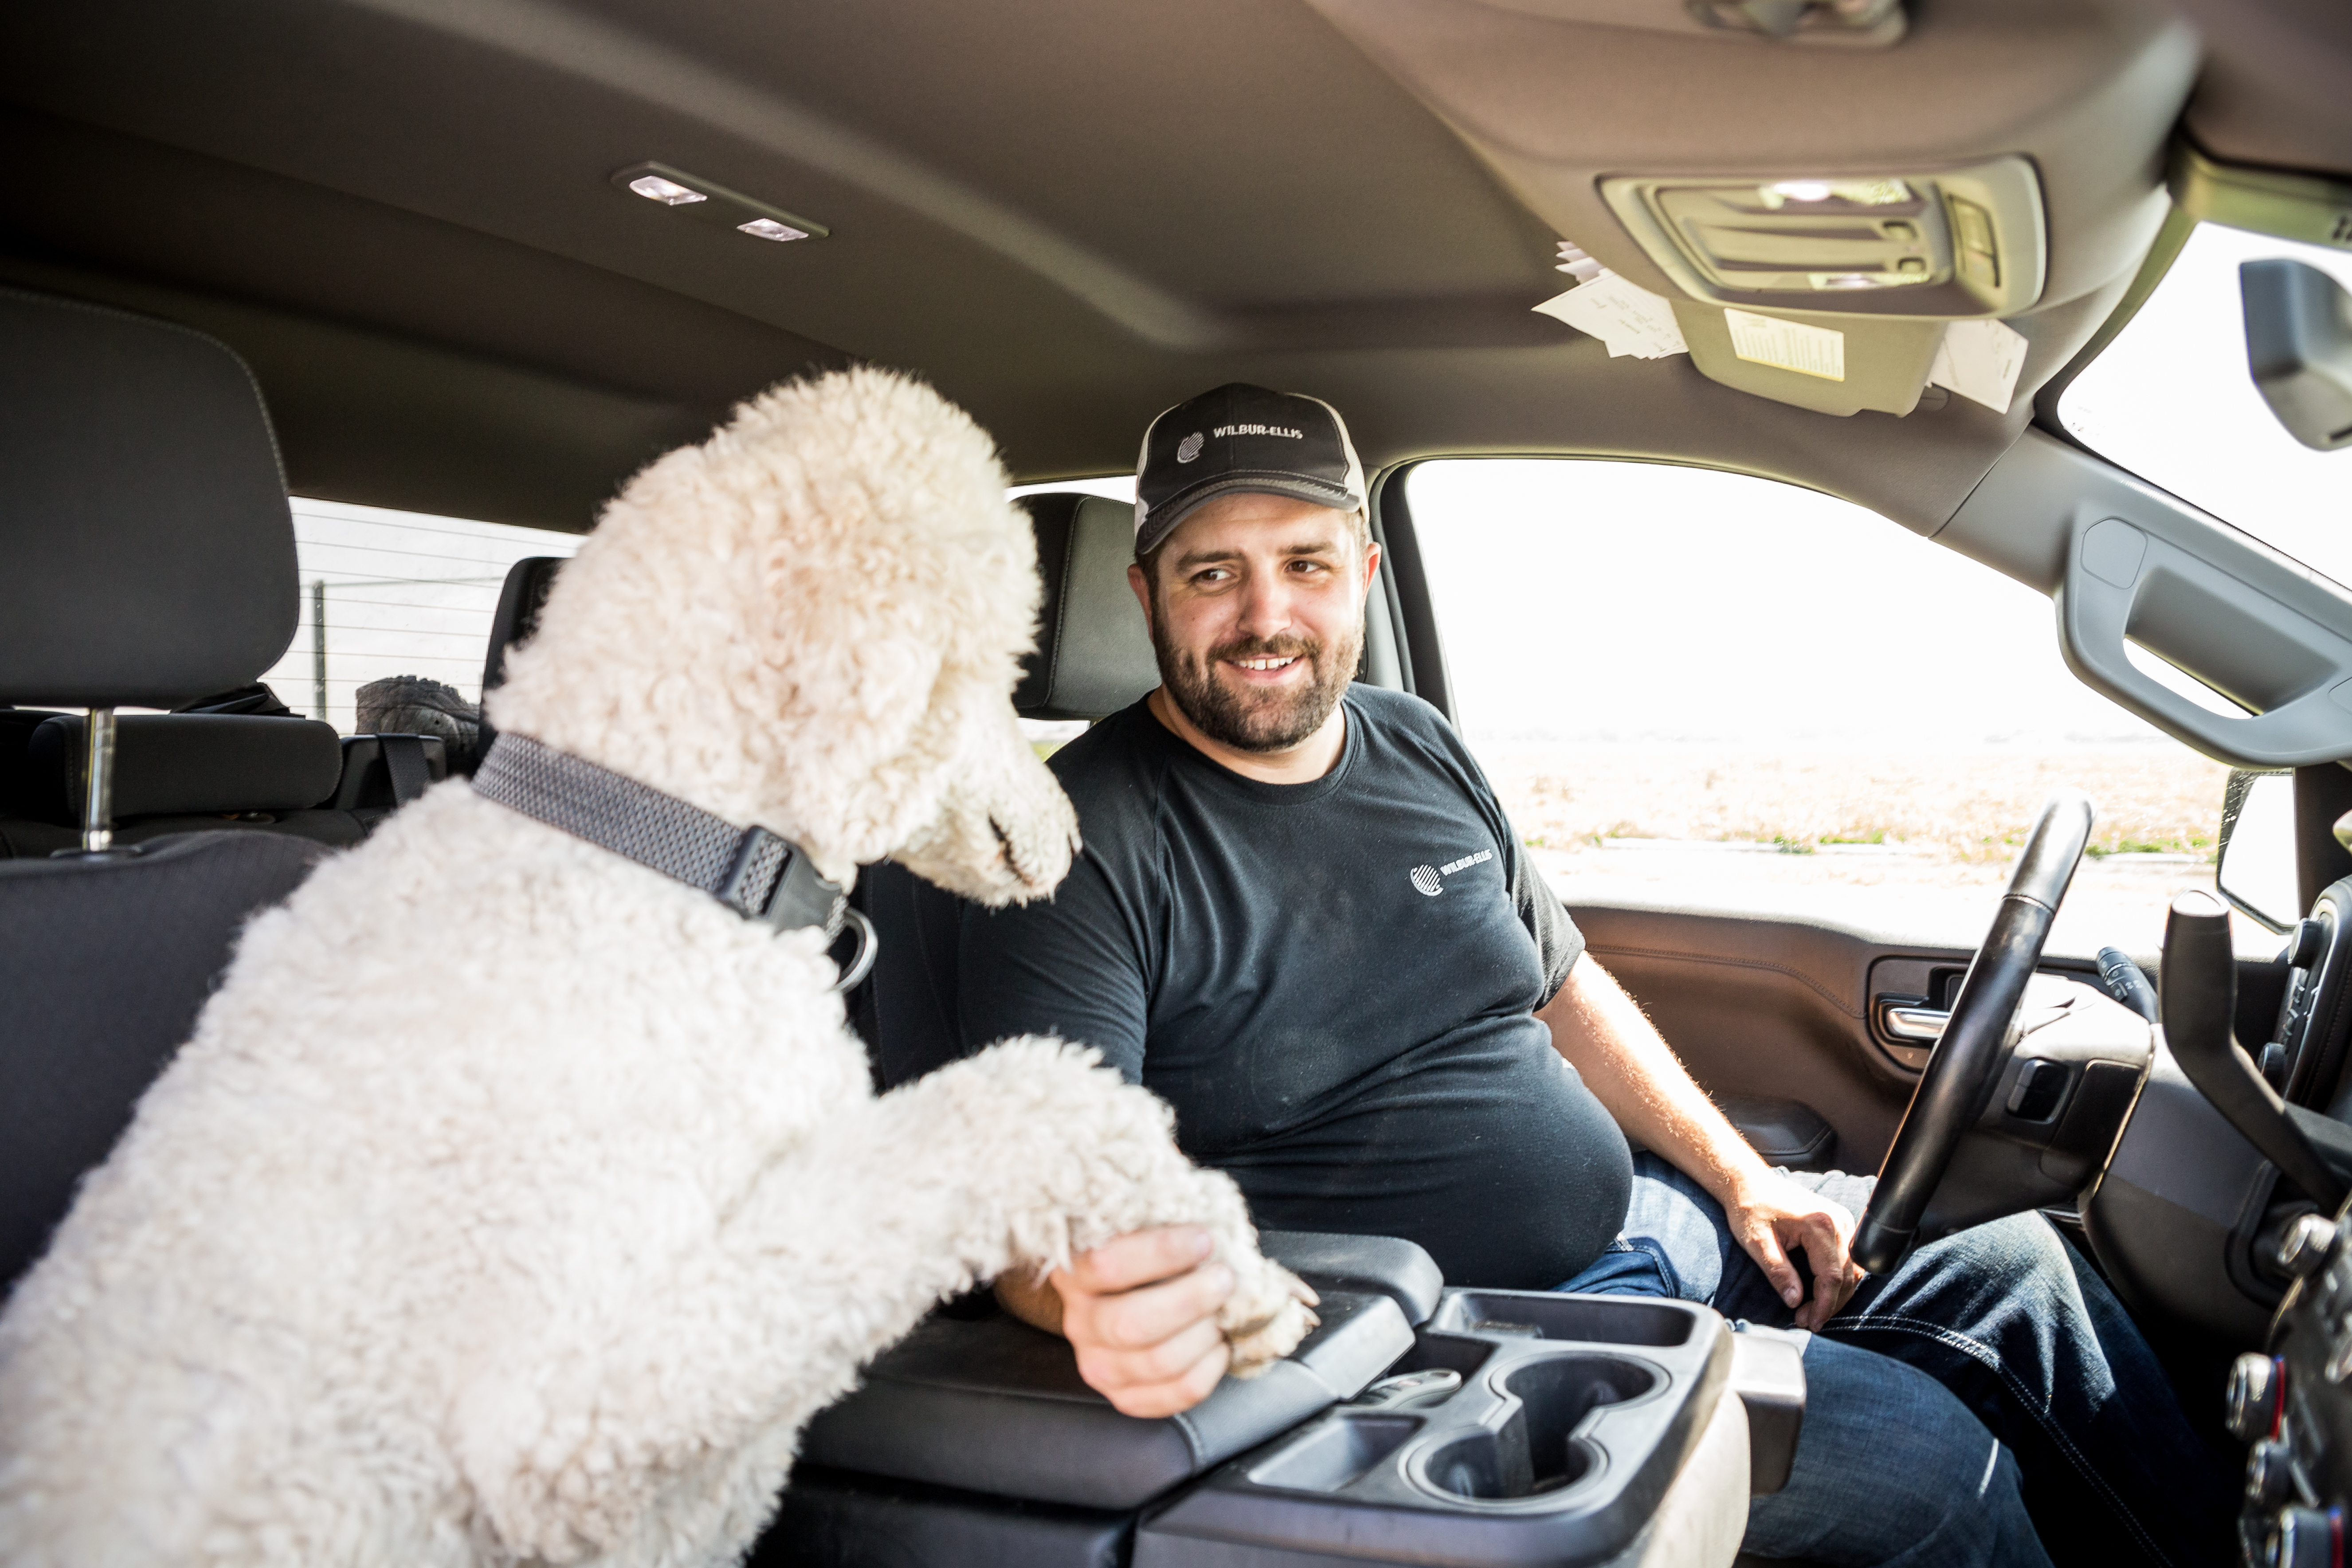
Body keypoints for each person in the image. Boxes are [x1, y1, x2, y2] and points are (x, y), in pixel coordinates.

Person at [960, 384, 2233, 1568]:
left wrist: (1745, 1183)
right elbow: (1037, 1198)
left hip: (1654, 1240)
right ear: (1145, 595)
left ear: (1363, 573)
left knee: (2026, 1281)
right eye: (1211, 575)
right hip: (1469, 1350)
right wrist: (1090, 1290)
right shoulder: (1075, 843)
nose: (1265, 618)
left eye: (1303, 566)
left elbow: (1565, 988)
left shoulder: (1417, 745)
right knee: (1930, 1469)